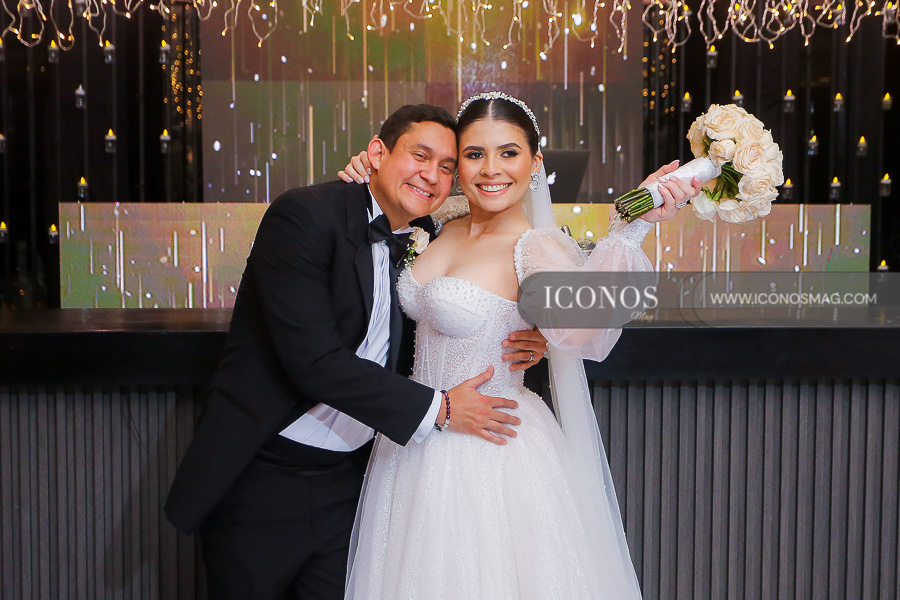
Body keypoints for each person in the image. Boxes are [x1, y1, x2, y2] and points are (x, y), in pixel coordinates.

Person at [164, 104, 548, 600]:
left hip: (361, 479)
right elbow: (313, 361)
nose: (431, 175)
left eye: (447, 166)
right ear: (377, 153)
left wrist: (540, 331)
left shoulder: (430, 237)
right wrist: (442, 408)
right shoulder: (305, 215)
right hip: (266, 474)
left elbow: (476, 310)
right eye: (419, 156)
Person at [338, 92, 702, 599]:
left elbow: (584, 327)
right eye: (475, 154)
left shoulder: (535, 247)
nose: (492, 169)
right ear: (457, 164)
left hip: (489, 448)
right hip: (412, 438)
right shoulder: (436, 225)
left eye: (508, 153)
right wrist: (366, 173)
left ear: (535, 163)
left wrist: (631, 227)